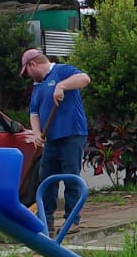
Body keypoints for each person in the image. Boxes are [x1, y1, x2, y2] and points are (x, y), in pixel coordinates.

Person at [22, 48, 91, 234]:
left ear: (32, 64)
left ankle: (72, 221)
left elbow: (85, 79)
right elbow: (34, 113)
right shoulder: (37, 86)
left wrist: (62, 86)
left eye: (26, 70)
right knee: (46, 179)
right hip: (51, 140)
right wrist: (37, 134)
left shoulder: (62, 71)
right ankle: (45, 221)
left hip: (72, 135)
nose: (28, 75)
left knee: (71, 177)